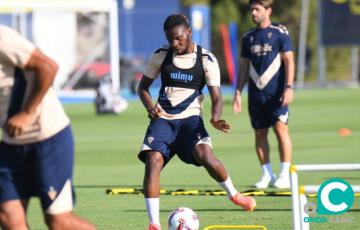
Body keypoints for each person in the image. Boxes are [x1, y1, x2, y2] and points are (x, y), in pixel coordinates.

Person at [137, 14, 256, 230]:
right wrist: (150, 106)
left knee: (205, 155)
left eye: (179, 39)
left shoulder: (206, 59)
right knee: (153, 160)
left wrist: (215, 117)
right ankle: (154, 223)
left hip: (191, 121)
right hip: (163, 120)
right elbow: (142, 88)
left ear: (189, 33)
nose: (175, 44)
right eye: (170, 39)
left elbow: (217, 97)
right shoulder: (160, 56)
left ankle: (234, 195)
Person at [0, 25, 95, 230]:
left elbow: (48, 66)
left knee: (58, 222)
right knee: (8, 217)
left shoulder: (3, 38)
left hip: (48, 136)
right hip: (10, 143)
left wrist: (27, 112)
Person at [232, 0, 295, 189]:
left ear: (268, 10)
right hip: (255, 95)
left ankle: (284, 173)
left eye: (257, 9)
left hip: (276, 93)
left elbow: (289, 61)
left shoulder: (280, 33)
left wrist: (289, 87)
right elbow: (243, 67)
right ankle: (267, 174)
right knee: (259, 133)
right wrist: (237, 93)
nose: (253, 13)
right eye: (251, 9)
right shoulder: (248, 37)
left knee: (280, 129)